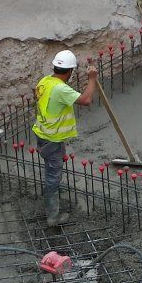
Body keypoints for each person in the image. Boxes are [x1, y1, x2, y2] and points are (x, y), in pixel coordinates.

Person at [32, 50, 97, 226]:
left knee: (51, 170)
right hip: (52, 139)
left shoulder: (45, 81)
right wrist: (92, 79)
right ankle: (53, 216)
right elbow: (86, 100)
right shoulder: (61, 88)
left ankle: (51, 200)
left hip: (43, 134)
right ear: (69, 72)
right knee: (53, 177)